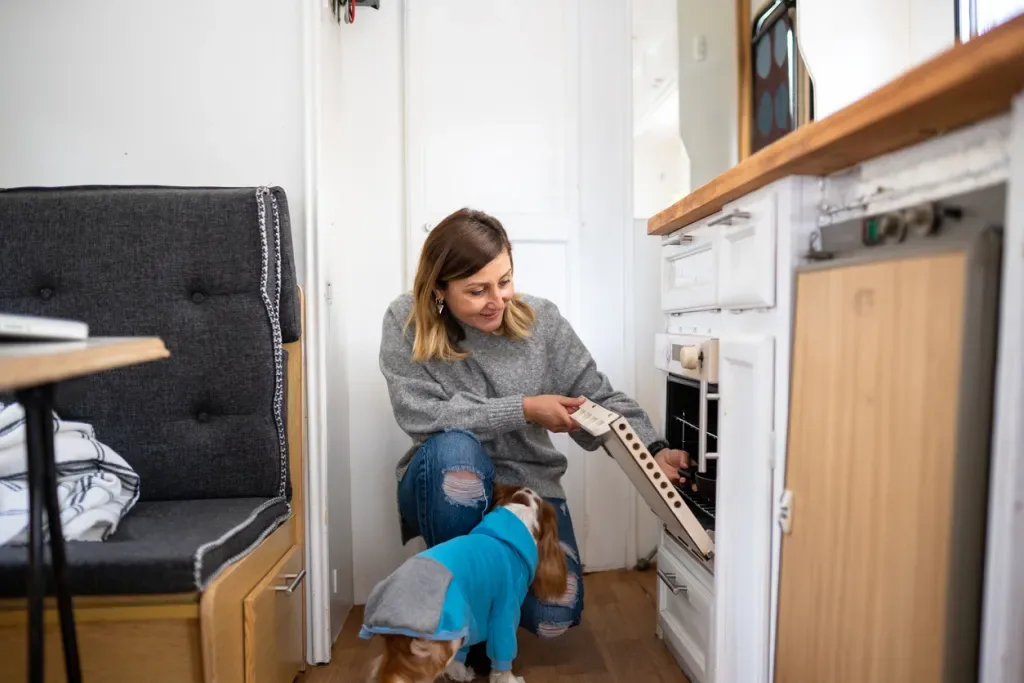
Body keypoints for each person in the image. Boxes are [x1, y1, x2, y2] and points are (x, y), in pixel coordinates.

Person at [379, 207, 688, 673]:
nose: (496, 300)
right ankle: (462, 624)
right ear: (439, 289)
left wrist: (654, 449)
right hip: (447, 479)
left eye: (504, 281)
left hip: (527, 489)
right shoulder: (406, 320)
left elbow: (596, 396)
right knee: (456, 453)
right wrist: (524, 407)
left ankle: (469, 620)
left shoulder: (542, 321)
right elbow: (420, 414)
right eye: (477, 290)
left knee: (554, 616)